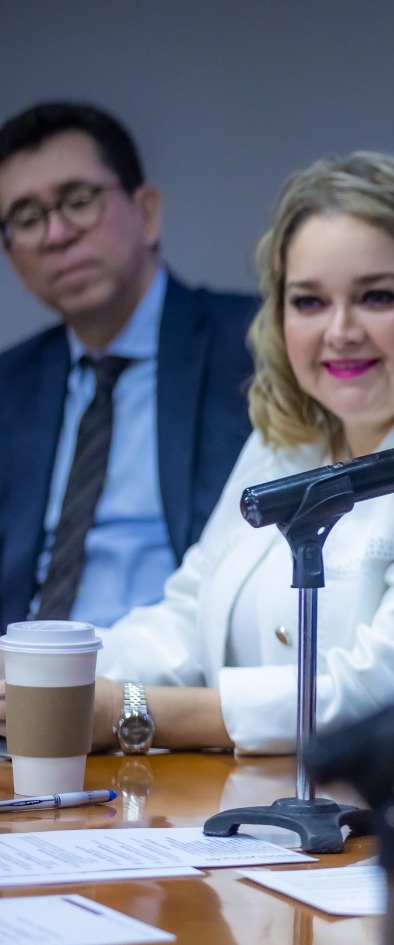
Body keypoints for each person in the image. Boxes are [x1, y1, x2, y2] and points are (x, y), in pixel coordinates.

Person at [0, 151, 394, 755]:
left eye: (376, 297)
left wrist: (133, 712)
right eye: (309, 302)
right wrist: (43, 672)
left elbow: (390, 697)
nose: (339, 331)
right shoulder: (290, 440)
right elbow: (185, 618)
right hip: (283, 817)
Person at [0, 102, 256, 629]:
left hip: (179, 686)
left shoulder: (256, 344)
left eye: (78, 201)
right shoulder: (11, 385)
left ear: (147, 211)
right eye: (26, 219)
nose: (56, 234)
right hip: (21, 680)